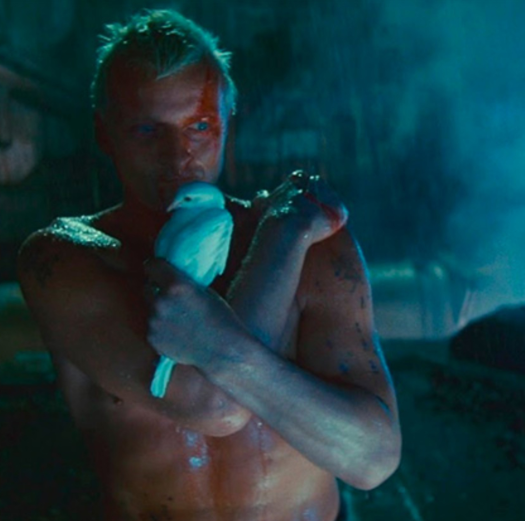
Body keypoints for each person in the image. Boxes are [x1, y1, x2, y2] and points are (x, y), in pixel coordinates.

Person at [17, 9, 401, 521]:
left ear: (227, 123)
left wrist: (284, 233)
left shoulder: (315, 244)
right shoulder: (62, 259)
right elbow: (213, 406)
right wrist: (281, 239)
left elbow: (373, 459)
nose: (178, 156)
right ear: (104, 134)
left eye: (199, 126)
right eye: (147, 130)